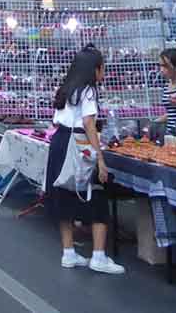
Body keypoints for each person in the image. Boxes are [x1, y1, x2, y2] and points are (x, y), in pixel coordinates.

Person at [44, 45, 125, 275]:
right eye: (102, 68)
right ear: (95, 69)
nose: (104, 72)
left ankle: (68, 252)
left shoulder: (65, 89)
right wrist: (100, 157)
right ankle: (98, 255)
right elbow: (89, 124)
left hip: (60, 142)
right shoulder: (88, 91)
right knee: (97, 194)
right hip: (79, 145)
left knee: (63, 194)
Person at [155, 47, 176, 138]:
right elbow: (172, 113)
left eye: (165, 66)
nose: (161, 69)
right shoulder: (167, 84)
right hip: (170, 134)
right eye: (160, 65)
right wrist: (155, 122)